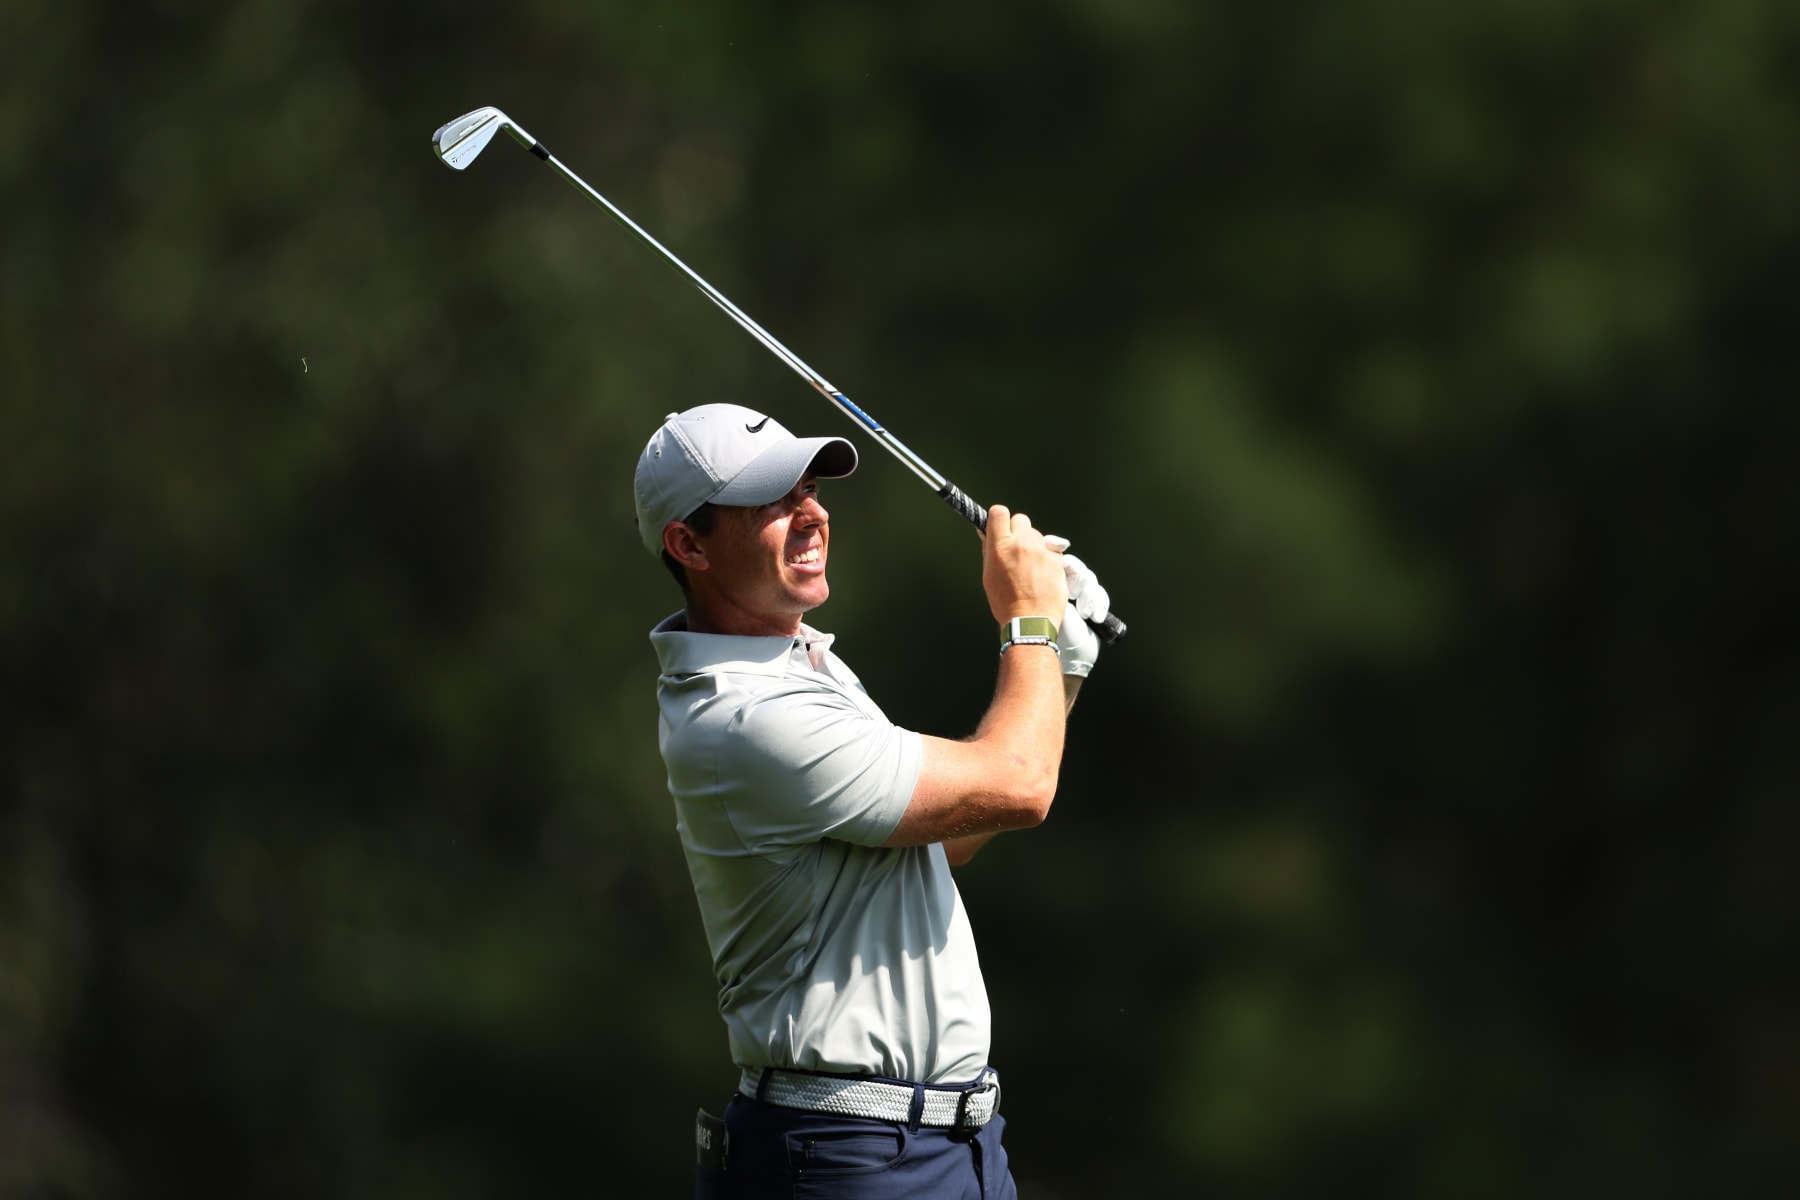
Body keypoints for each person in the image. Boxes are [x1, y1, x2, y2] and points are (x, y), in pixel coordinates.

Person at [634, 403, 1108, 1199]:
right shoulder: (748, 717)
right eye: (771, 502)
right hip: (846, 1158)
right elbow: (1021, 786)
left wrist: (1062, 657)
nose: (812, 515)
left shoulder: (802, 665)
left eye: (811, 490)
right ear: (688, 544)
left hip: (952, 1148)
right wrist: (1030, 621)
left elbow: (949, 830)